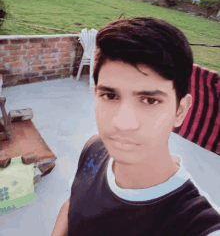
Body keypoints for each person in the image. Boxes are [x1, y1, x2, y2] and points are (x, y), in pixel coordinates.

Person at [52, 17, 220, 236]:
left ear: (180, 110)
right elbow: (71, 205)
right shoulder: (94, 148)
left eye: (150, 100)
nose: (122, 123)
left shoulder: (194, 222)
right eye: (110, 95)